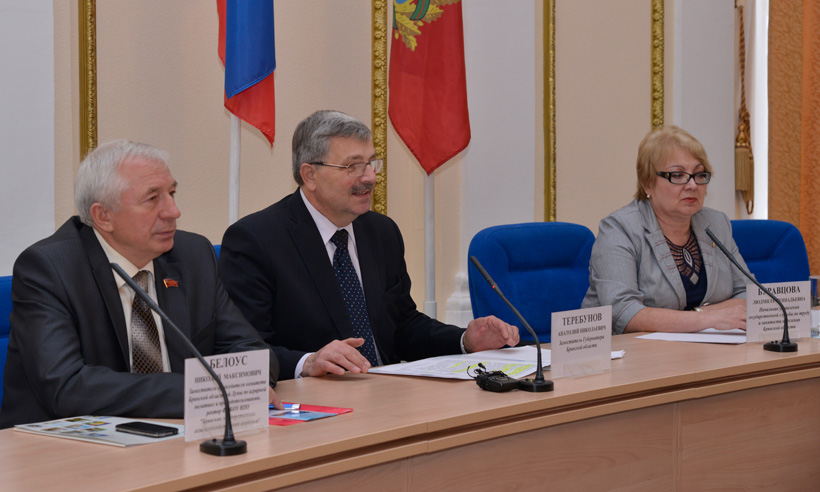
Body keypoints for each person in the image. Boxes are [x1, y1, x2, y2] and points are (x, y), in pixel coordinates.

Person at [0, 140, 281, 428]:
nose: (173, 211)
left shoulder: (193, 256)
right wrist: (202, 392)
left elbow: (253, 351)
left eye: (172, 193)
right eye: (152, 198)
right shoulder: (50, 269)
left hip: (181, 434)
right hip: (65, 442)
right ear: (103, 216)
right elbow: (66, 385)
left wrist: (239, 384)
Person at [219, 110, 519, 379]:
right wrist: (307, 362)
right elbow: (241, 350)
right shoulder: (256, 240)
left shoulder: (381, 231)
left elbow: (401, 325)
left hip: (387, 391)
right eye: (352, 166)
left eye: (371, 163)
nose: (370, 177)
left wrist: (465, 341)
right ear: (310, 175)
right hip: (315, 400)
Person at [581, 126, 749, 334]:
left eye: (699, 174)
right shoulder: (620, 229)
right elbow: (622, 311)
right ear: (647, 184)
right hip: (628, 351)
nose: (692, 185)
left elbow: (748, 293)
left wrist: (700, 316)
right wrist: (706, 317)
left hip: (705, 348)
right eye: (677, 175)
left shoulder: (715, 223)